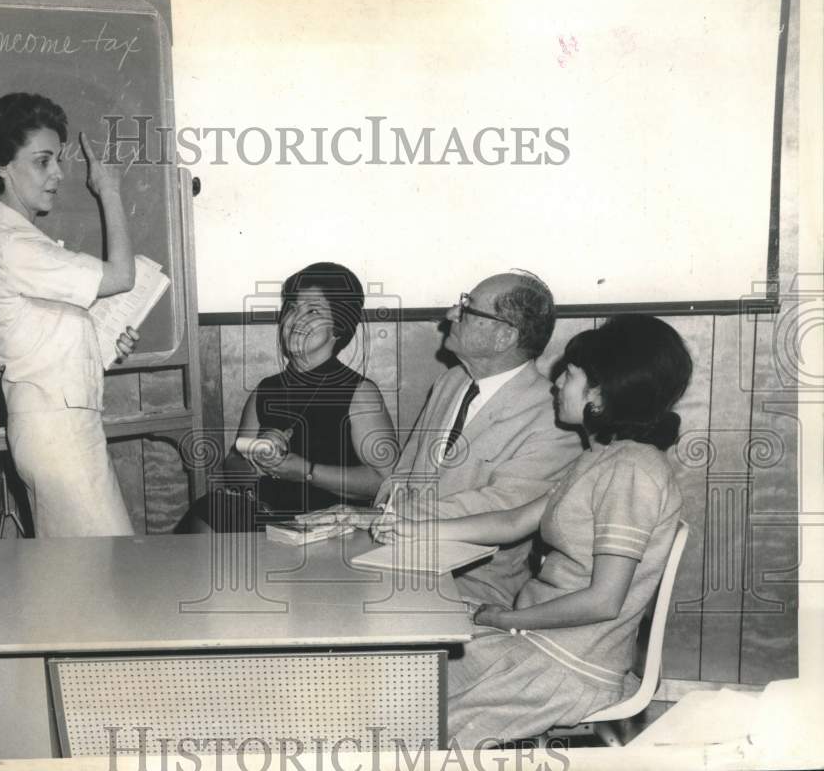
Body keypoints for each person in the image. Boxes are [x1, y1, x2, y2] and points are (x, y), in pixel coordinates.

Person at [378, 314, 693, 745]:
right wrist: (420, 530)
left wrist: (506, 620)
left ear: (600, 394)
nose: (557, 382)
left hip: (565, 663)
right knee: (400, 670)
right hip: (538, 640)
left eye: (571, 374)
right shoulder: (600, 458)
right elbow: (514, 521)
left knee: (408, 712)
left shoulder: (632, 471)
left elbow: (603, 601)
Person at [0, 92, 140, 538]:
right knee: (104, 573)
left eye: (57, 160)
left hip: (58, 425)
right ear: (2, 165)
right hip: (57, 434)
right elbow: (122, 276)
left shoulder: (21, 240)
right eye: (42, 162)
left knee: (77, 580)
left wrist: (101, 344)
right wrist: (110, 191)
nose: (59, 174)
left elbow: (39, 337)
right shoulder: (15, 244)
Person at [375, 271, 582, 608]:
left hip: (474, 587)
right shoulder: (451, 382)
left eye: (467, 308)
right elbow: (402, 473)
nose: (450, 315)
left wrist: (397, 516)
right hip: (395, 557)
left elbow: (503, 508)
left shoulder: (553, 416)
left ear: (503, 336)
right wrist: (368, 515)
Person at [186, 262, 399, 531]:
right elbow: (233, 464)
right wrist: (257, 459)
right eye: (292, 308)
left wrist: (307, 471)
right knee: (206, 512)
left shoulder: (360, 392)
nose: (296, 319)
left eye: (312, 311)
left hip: (332, 524)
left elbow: (385, 481)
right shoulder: (266, 389)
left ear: (338, 326)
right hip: (268, 518)